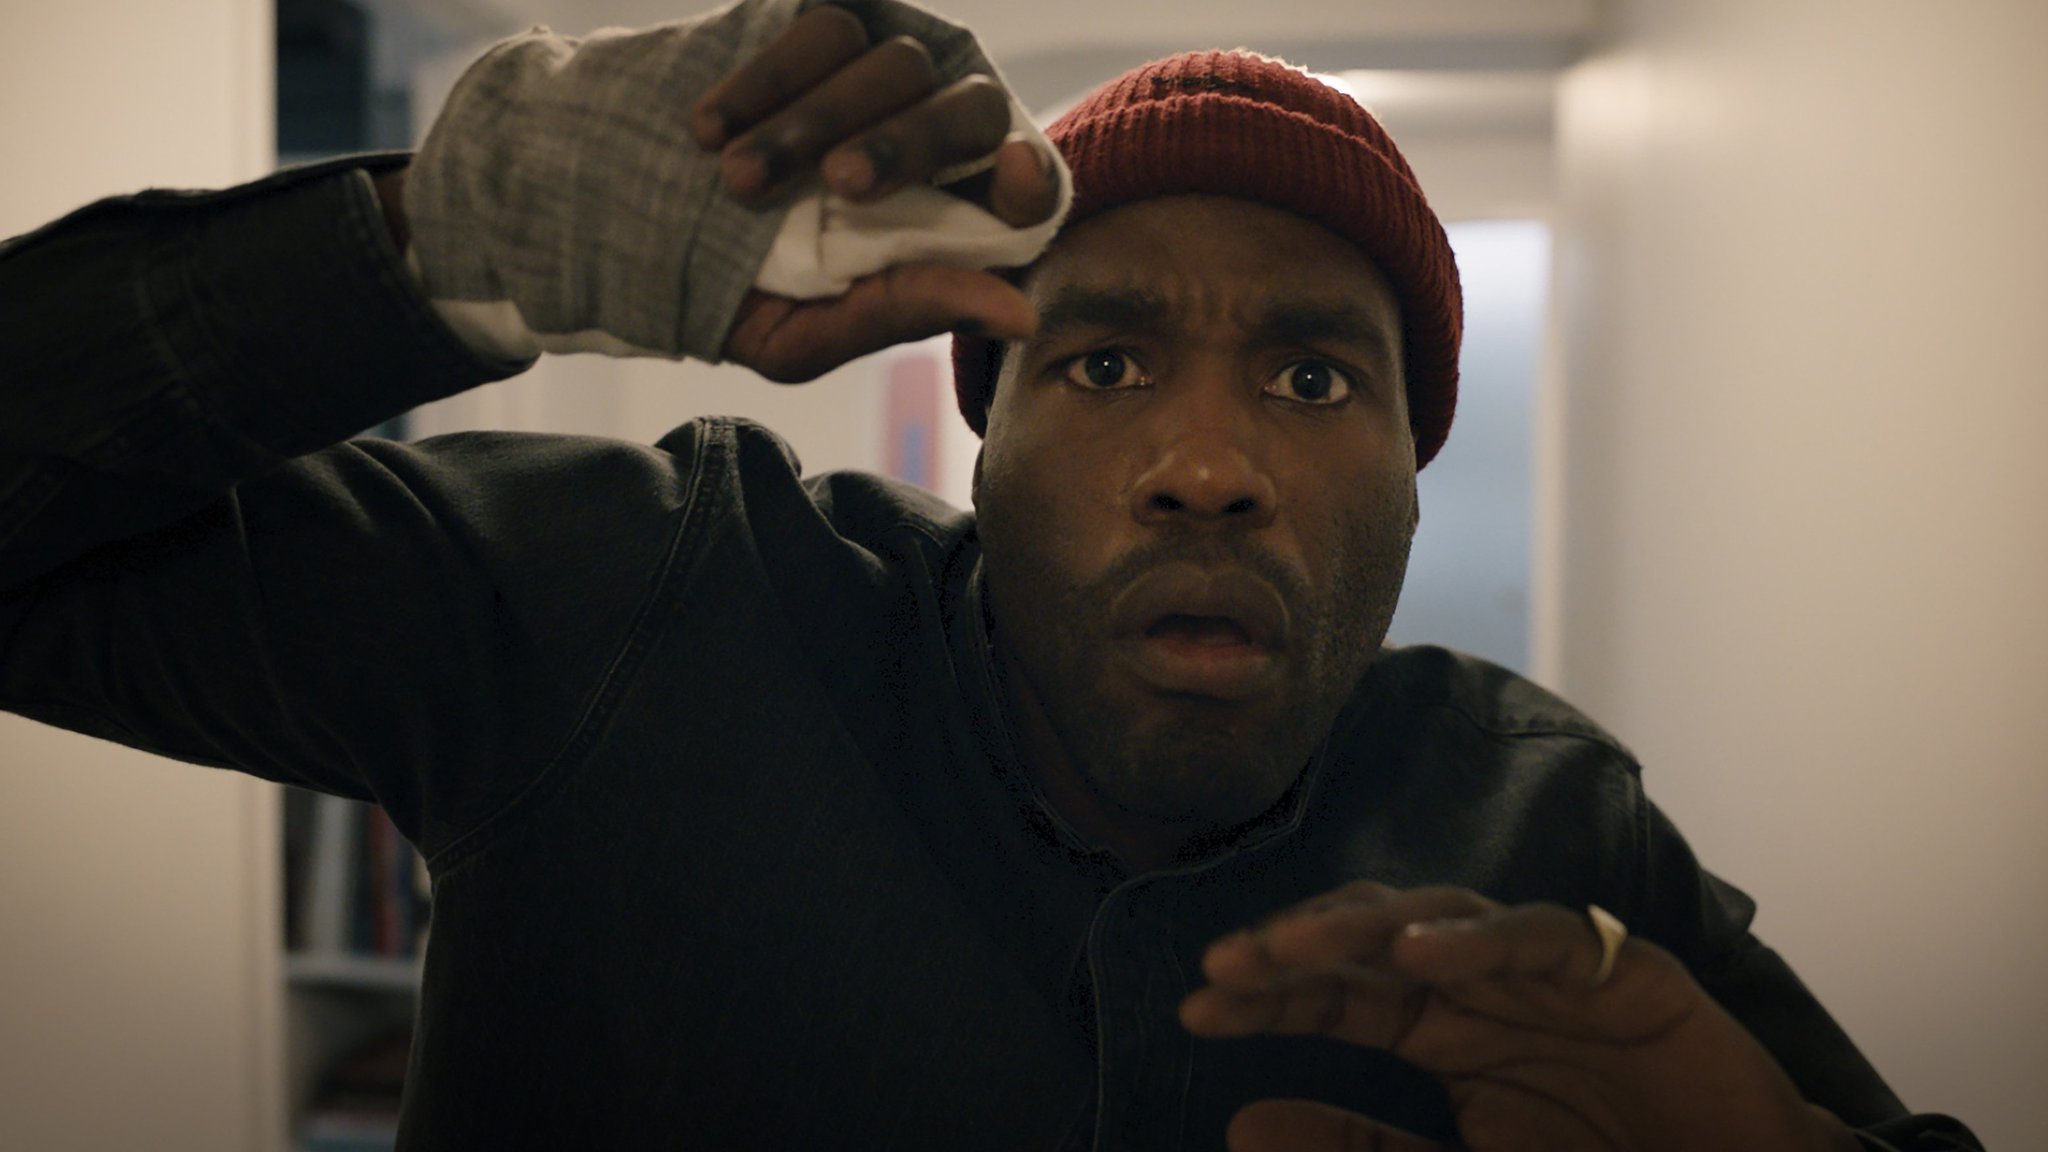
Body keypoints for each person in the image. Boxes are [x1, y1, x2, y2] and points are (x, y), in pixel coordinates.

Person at [0, 1, 1983, 1149]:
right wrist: (457, 242)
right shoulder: (638, 607)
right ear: (984, 435)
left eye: (1315, 377)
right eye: (1102, 362)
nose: (1207, 469)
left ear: (1409, 472)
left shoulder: (1552, 846)